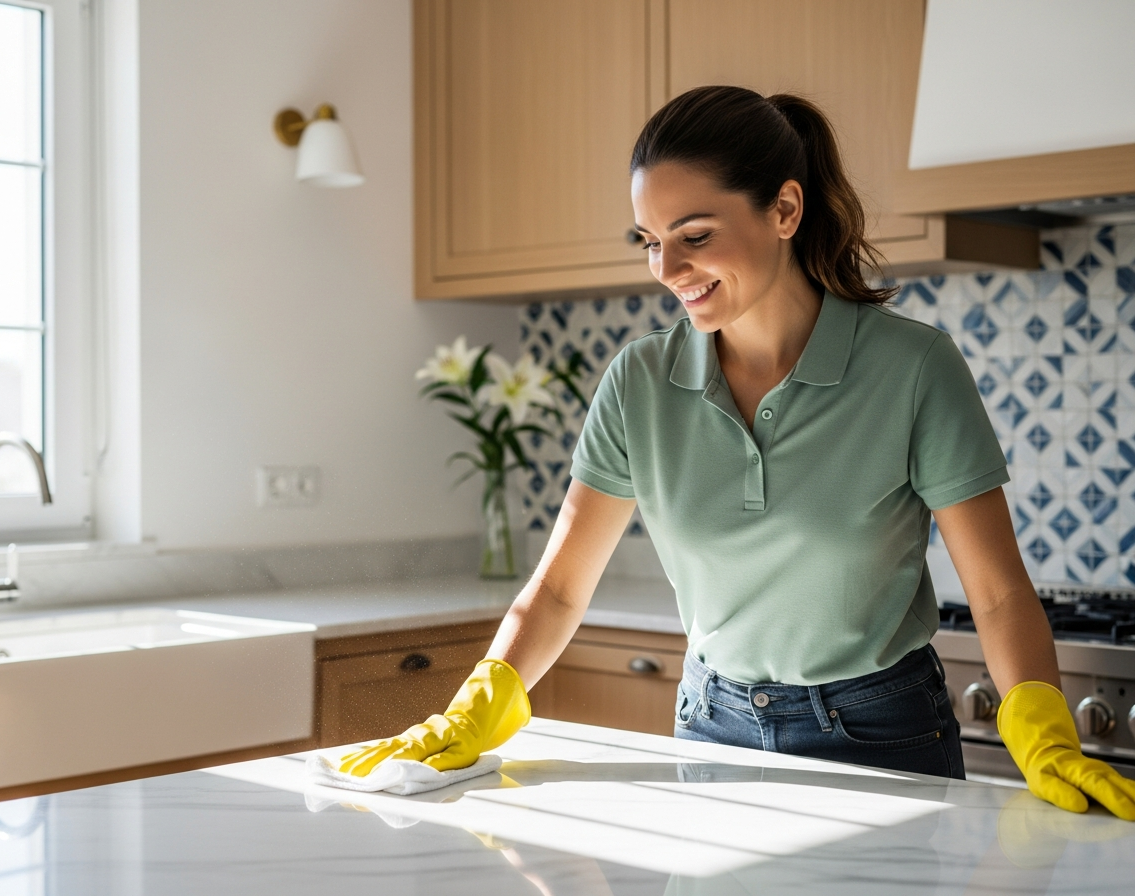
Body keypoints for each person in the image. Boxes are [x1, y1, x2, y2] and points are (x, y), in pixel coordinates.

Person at [340, 86, 1135, 820]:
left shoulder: (913, 368)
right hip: (709, 726)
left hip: (881, 736)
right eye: (649, 241)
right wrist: (478, 704)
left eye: (694, 236)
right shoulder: (639, 383)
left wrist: (1041, 727)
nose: (667, 270)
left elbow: (996, 595)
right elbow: (555, 593)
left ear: (784, 208)